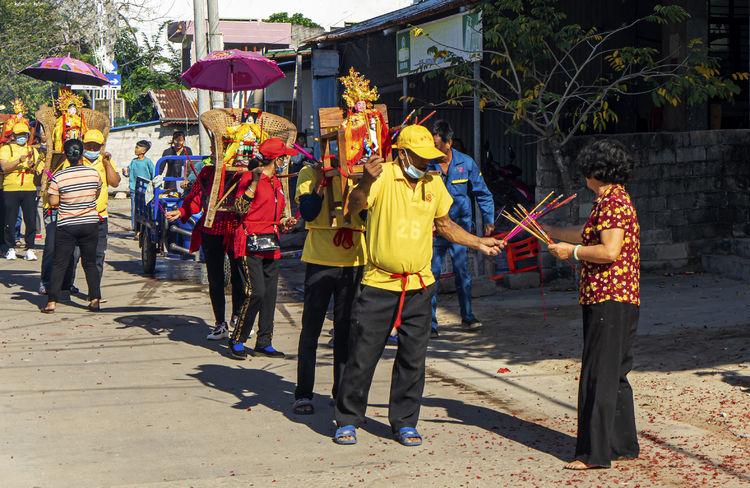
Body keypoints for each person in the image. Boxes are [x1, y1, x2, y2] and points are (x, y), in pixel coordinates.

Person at [333, 125, 504, 446]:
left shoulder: (434, 184)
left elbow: (445, 225)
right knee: (362, 355)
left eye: (431, 159)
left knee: (413, 358)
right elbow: (352, 207)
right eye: (421, 158)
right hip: (379, 283)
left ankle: (404, 421)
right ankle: (348, 418)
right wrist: (366, 180)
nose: (427, 164)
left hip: (420, 285)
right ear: (402, 154)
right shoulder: (381, 176)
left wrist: (478, 243)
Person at [546, 139, 640, 470]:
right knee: (614, 375)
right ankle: (622, 445)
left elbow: (608, 251)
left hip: (610, 299)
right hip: (614, 298)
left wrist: (569, 253)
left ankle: (593, 454)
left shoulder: (613, 203)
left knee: (599, 375)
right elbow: (586, 234)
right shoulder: (611, 201)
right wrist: (549, 230)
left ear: (596, 172)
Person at [292, 159, 367, 415]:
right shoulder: (308, 172)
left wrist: (364, 180)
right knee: (310, 330)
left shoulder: (362, 174)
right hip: (319, 260)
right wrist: (323, 181)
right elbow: (309, 211)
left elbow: (369, 213)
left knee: (345, 332)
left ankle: (341, 392)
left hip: (354, 260)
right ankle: (303, 393)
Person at [227, 138, 297, 360]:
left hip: (271, 242)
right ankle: (238, 338)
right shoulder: (249, 178)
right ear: (277, 159)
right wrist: (255, 182)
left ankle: (264, 341)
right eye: (284, 157)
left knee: (269, 295)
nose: (287, 160)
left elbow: (274, 213)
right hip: (250, 242)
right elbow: (239, 209)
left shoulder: (277, 182)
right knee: (255, 292)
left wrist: (285, 222)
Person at [428, 120, 495, 336]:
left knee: (462, 273)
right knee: (432, 275)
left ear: (449, 143)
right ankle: (430, 325)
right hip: (435, 230)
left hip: (460, 231)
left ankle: (467, 317)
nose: (434, 149)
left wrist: (488, 219)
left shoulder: (465, 164)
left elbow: (482, 193)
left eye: (438, 144)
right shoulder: (427, 165)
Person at [165, 161, 243, 340]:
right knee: (215, 278)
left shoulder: (243, 171)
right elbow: (196, 200)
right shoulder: (208, 172)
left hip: (235, 229)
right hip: (211, 229)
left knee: (239, 277)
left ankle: (238, 317)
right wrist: (182, 211)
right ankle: (220, 324)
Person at [42, 139, 101, 313]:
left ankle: (51, 302)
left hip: (67, 225)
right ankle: (95, 299)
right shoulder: (93, 173)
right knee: (90, 263)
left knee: (59, 263)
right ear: (82, 153)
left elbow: (53, 201)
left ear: (66, 156)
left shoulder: (59, 176)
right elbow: (96, 194)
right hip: (90, 223)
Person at [80, 129, 121, 291]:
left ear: (101, 147)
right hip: (79, 216)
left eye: (95, 147)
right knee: (75, 255)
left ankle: (94, 291)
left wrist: (107, 164)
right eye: (88, 146)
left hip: (100, 216)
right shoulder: (76, 160)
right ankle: (66, 286)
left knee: (98, 255)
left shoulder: (105, 162)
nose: (91, 150)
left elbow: (115, 182)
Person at [0, 121, 43, 260]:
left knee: (30, 220)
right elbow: (5, 167)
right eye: (18, 135)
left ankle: (30, 248)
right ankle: (10, 248)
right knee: (10, 220)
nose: (21, 137)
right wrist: (19, 160)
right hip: (11, 188)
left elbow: (40, 169)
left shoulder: (33, 150)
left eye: (24, 135)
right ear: (13, 135)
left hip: (29, 189)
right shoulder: (6, 149)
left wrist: (33, 166)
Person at [122, 140, 154, 232]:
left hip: (146, 190)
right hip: (134, 189)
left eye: (137, 147)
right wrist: (125, 172)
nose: (135, 149)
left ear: (143, 151)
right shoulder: (133, 161)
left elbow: (153, 174)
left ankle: (145, 229)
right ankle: (135, 229)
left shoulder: (148, 162)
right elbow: (129, 173)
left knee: (146, 209)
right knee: (134, 209)